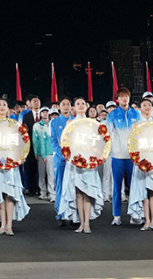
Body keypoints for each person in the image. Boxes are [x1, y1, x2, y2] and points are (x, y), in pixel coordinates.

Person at [0, 99, 29, 235]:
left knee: (10, 194)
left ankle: (9, 226)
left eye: (4, 105)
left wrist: (21, 156)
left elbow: (22, 142)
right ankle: (2, 225)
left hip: (11, 163)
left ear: (8, 109)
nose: (1, 107)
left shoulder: (14, 125)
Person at [61, 97, 104, 233]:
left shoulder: (94, 123)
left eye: (82, 104)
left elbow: (99, 142)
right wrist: (67, 154)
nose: (80, 106)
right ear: (74, 107)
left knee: (88, 192)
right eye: (77, 104)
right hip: (74, 162)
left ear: (86, 106)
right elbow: (65, 142)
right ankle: (81, 222)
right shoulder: (70, 122)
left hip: (89, 161)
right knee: (78, 193)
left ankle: (87, 223)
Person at [127, 96, 153, 231]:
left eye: (149, 105)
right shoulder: (136, 125)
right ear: (140, 108)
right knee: (143, 191)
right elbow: (132, 144)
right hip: (142, 161)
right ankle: (146, 220)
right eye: (144, 105)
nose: (147, 107)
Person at [107, 88, 140, 226]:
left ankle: (135, 214)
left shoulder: (136, 114)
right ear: (117, 99)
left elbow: (139, 134)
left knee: (134, 187)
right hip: (117, 156)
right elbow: (107, 135)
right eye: (121, 97)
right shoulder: (112, 115)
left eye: (126, 96)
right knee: (117, 187)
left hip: (133, 157)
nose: (125, 99)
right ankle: (116, 216)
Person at [48, 97, 73, 227]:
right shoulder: (54, 122)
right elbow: (52, 140)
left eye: (68, 104)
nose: (66, 106)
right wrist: (62, 154)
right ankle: (60, 214)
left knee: (73, 187)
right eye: (63, 104)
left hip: (74, 160)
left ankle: (74, 215)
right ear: (59, 107)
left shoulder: (75, 122)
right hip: (60, 159)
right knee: (60, 186)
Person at [32, 107, 53, 202]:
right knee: (41, 173)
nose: (45, 114)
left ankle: (51, 192)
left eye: (46, 112)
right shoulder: (36, 125)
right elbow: (35, 140)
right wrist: (36, 152)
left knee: (51, 174)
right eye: (43, 112)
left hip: (50, 152)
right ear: (40, 114)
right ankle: (43, 192)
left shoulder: (51, 125)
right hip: (40, 153)